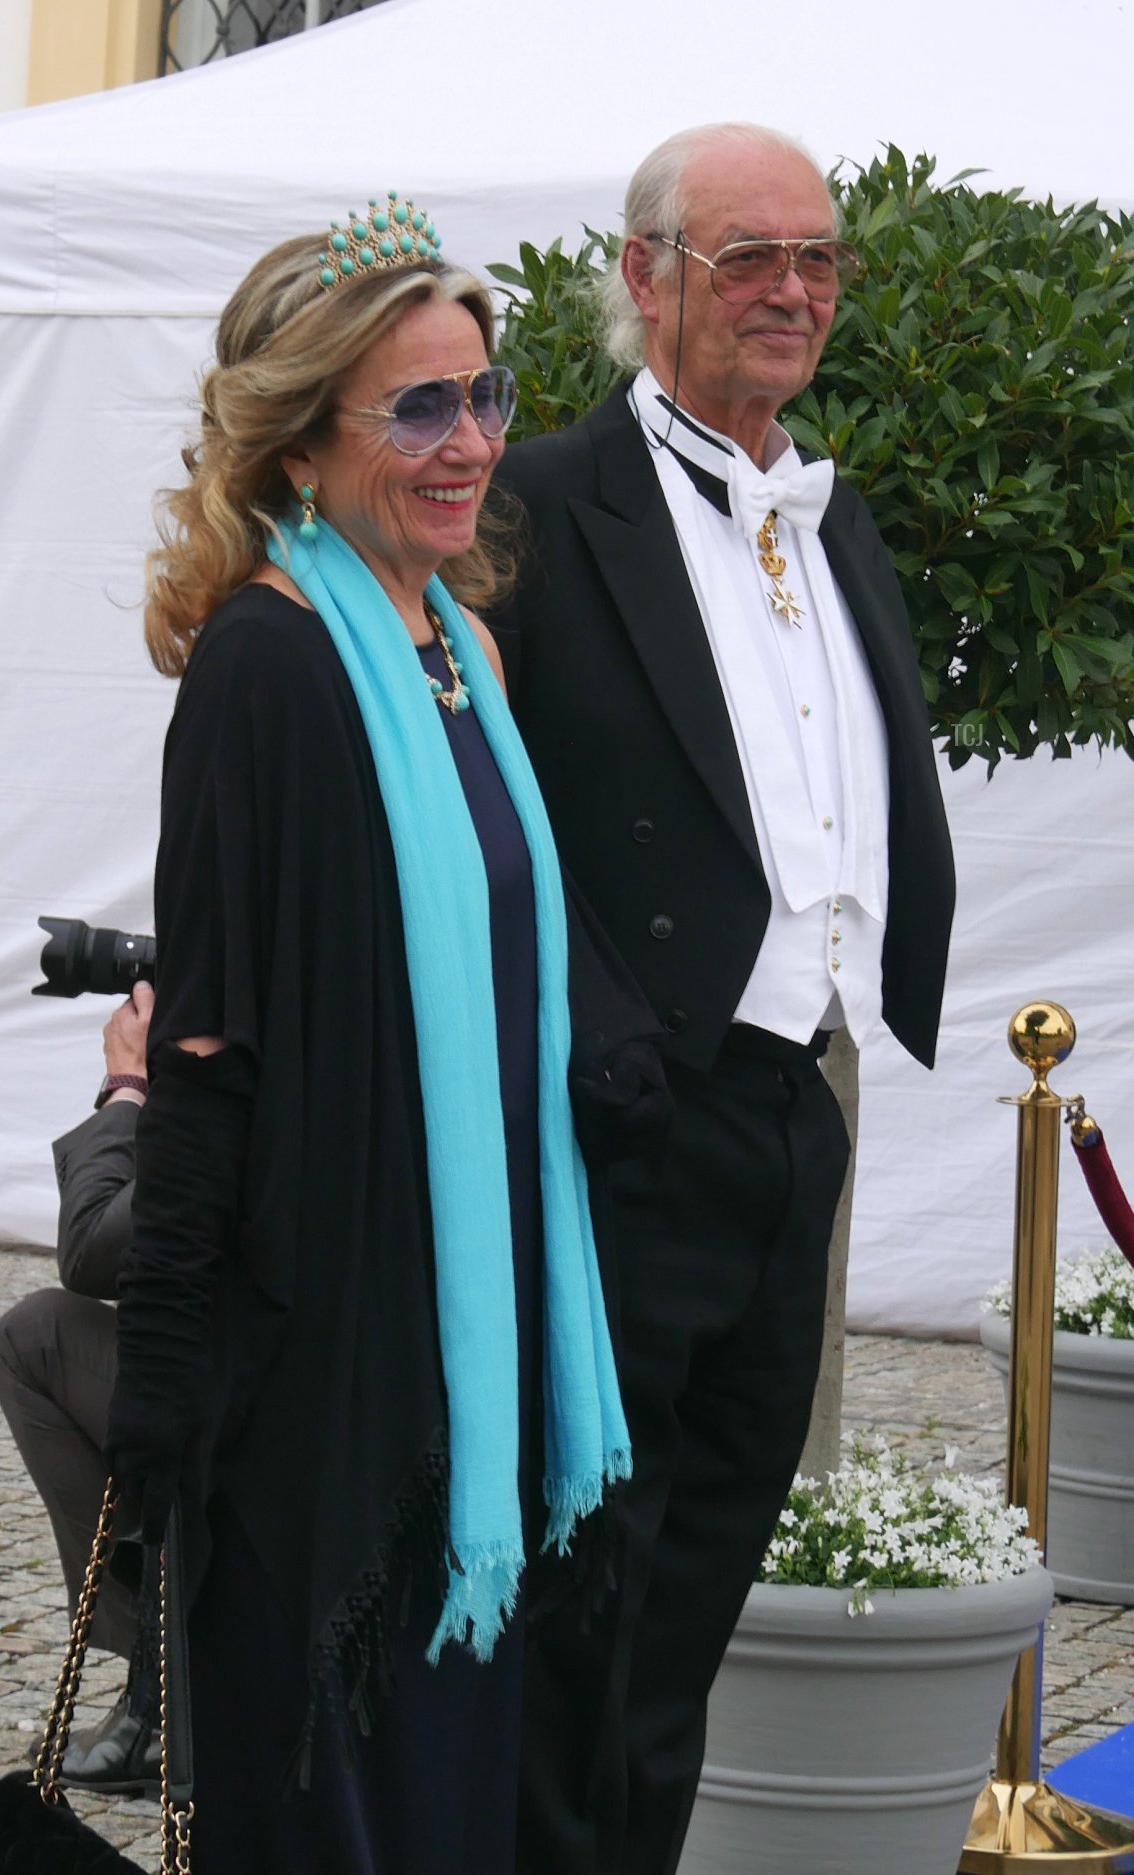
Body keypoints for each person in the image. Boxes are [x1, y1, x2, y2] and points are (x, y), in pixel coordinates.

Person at [101, 198, 659, 1875]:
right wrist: (166, 1388)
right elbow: (212, 1049)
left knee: (445, 1797)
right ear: (299, 437)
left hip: (468, 1334)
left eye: (486, 395)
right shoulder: (264, 670)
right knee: (327, 1808)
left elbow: (520, 962)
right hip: (326, 1364)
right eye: (420, 406)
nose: (473, 441)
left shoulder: (462, 654)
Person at [490, 123, 956, 1875]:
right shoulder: (535, 503)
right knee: (580, 1602)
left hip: (790, 1120)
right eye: (745, 255)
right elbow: (479, 826)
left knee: (691, 1607)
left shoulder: (832, 522)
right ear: (645, 276)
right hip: (617, 1130)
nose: (789, 289)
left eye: (816, 259)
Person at [0, 983, 161, 1792]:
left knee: (35, 1340)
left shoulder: (245, 1062)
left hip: (263, 1407)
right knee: (41, 1331)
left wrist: (128, 1085)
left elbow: (95, 1249)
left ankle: (164, 1693)